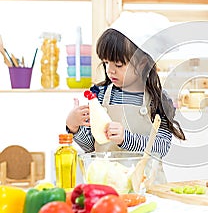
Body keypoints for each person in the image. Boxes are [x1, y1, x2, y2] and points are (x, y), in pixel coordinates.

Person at [66, 12, 185, 163]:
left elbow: (161, 147)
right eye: (106, 63)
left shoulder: (159, 101)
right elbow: (92, 146)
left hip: (145, 182)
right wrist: (74, 126)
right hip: (108, 182)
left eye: (118, 65)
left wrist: (125, 138)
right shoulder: (100, 95)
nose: (110, 70)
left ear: (142, 64)